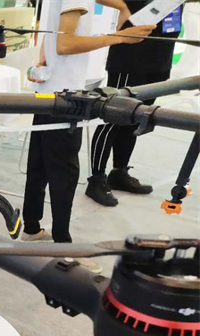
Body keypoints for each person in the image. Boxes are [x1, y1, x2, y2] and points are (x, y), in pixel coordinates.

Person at [20, 0, 155, 273]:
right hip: (66, 97)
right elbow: (65, 44)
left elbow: (55, 35)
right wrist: (120, 37)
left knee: (40, 165)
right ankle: (64, 247)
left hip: (49, 90)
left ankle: (32, 229)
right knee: (64, 173)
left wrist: (122, 7)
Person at [85, 1, 182, 206]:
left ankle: (119, 171)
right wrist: (123, 6)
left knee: (138, 117)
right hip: (131, 54)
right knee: (112, 117)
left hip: (162, 50)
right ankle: (96, 179)